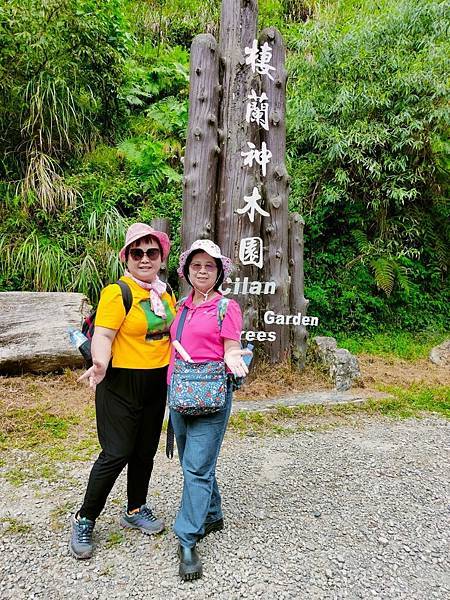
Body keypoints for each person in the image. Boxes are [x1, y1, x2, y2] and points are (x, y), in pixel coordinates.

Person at [70, 223, 176, 559]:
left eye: (152, 253)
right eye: (137, 253)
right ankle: (85, 517)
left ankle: (134, 508)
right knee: (116, 452)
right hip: (120, 383)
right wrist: (99, 363)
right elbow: (102, 335)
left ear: (161, 258)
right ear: (126, 258)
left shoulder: (165, 291)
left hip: (156, 382)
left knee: (144, 451)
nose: (145, 259)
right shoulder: (117, 292)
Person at [168, 239, 250, 581]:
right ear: (187, 271)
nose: (202, 271)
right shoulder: (182, 307)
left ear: (219, 273)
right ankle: (212, 514)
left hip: (211, 397)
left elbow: (232, 347)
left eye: (209, 266)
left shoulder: (226, 308)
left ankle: (187, 537)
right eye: (196, 265)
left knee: (197, 467)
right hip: (179, 394)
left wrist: (235, 359)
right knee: (195, 464)